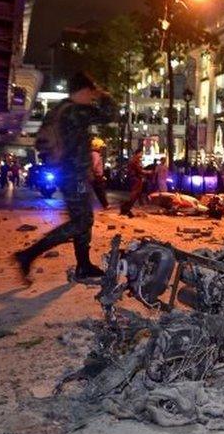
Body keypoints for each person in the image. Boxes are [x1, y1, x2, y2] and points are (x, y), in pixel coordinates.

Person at [14, 72, 118, 284]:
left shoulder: (59, 109)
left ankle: (83, 265)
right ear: (85, 91)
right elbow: (109, 115)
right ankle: (29, 255)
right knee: (82, 221)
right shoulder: (76, 111)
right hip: (74, 174)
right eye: (91, 93)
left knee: (83, 219)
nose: (92, 98)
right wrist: (104, 94)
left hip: (66, 172)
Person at [120, 148, 150, 217]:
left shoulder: (137, 161)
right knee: (134, 194)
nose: (142, 155)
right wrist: (148, 172)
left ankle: (126, 208)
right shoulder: (134, 161)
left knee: (137, 194)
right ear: (137, 154)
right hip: (135, 179)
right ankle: (125, 208)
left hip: (137, 179)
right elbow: (139, 170)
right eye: (141, 153)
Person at [89, 142, 108, 209]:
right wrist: (92, 171)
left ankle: (105, 205)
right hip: (96, 176)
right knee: (100, 190)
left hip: (95, 175)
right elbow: (95, 164)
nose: (102, 149)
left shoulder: (94, 154)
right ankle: (105, 205)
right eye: (101, 147)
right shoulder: (96, 154)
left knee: (99, 190)